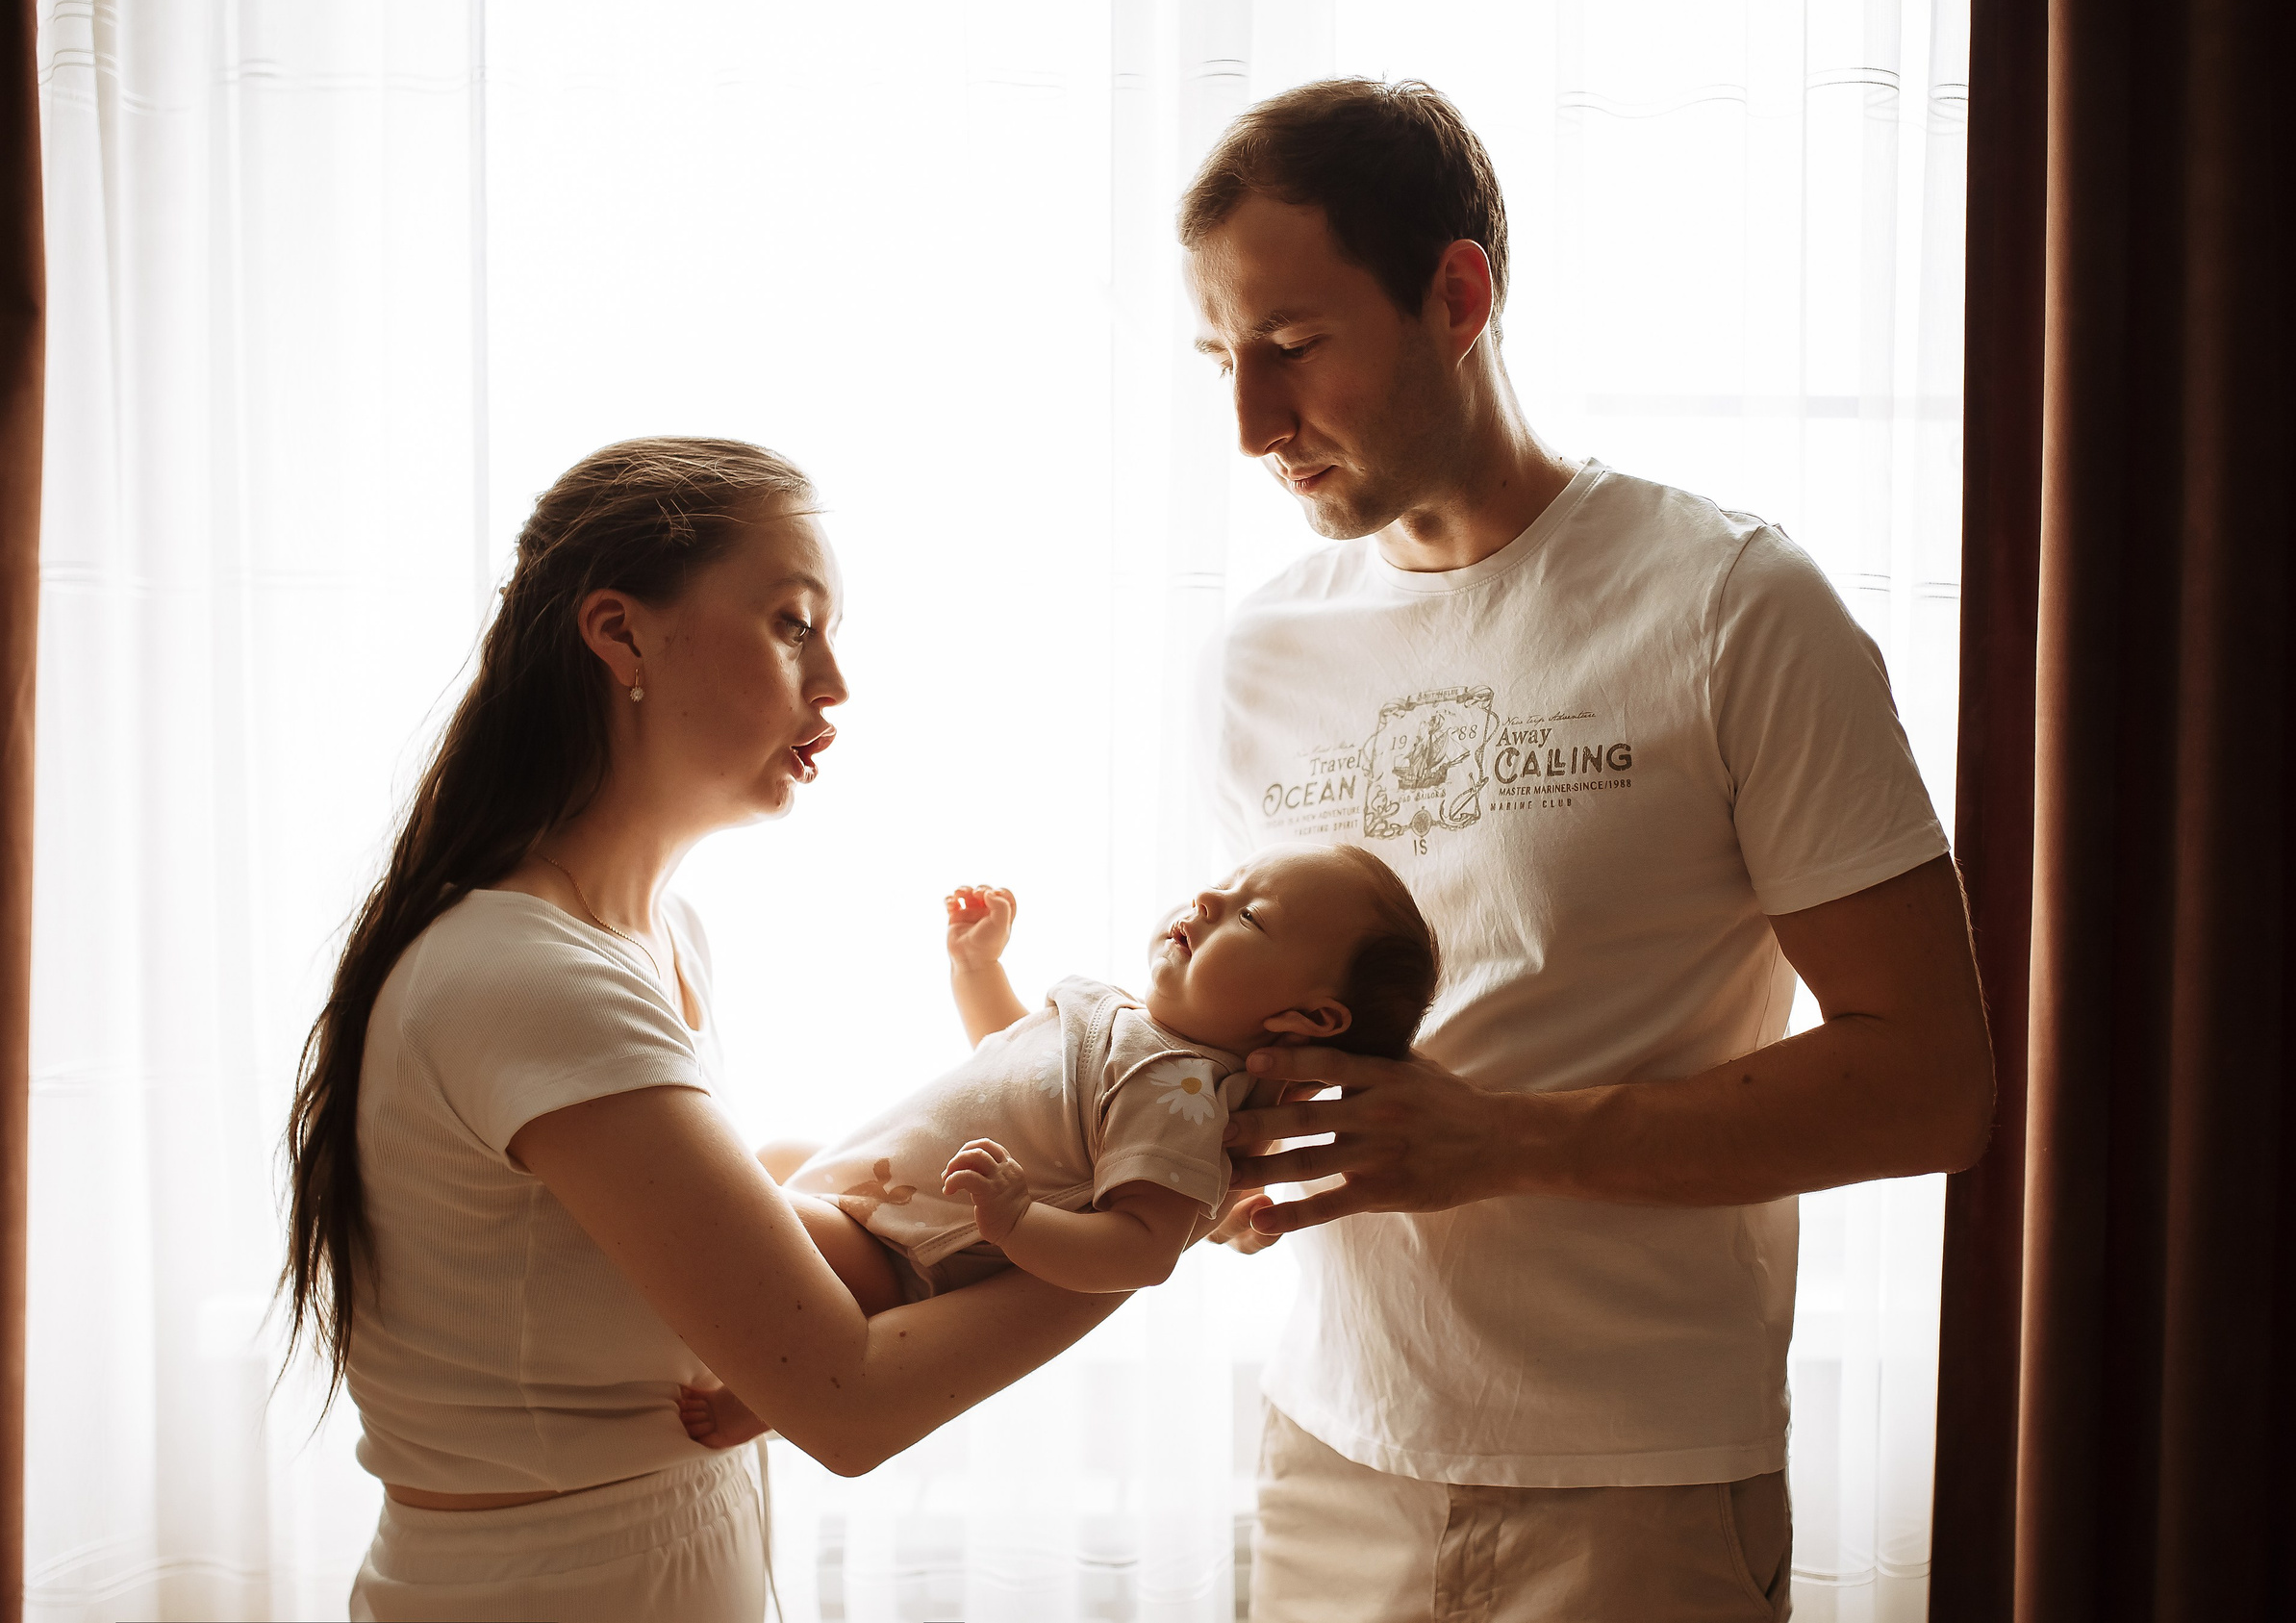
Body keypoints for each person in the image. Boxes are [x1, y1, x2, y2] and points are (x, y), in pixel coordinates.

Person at [1181, 81, 1997, 1621]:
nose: (1251, 425)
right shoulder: (1260, 659)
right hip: (1328, 1455)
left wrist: (1511, 1140)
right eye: (1222, 360)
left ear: (1458, 294)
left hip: (1641, 1496)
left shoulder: (1730, 603)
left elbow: (1933, 1083)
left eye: (1290, 348)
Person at [280, 438, 1129, 1623]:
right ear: (620, 634)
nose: (834, 682)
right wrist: (1146, 1228)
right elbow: (847, 1403)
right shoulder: (524, 973)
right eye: (793, 622)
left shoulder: (659, 938)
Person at [674, 844, 1442, 1451]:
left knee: (751, 1214)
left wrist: (1016, 1219)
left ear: (1311, 1018)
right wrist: (979, 969)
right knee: (775, 1156)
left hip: (897, 1248)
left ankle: (756, 1402)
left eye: (1251, 916)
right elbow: (1010, 1068)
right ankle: (759, 1384)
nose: (1208, 900)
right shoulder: (1122, 1022)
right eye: (1223, 882)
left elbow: (1143, 1248)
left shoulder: (1183, 1097)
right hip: (877, 1190)